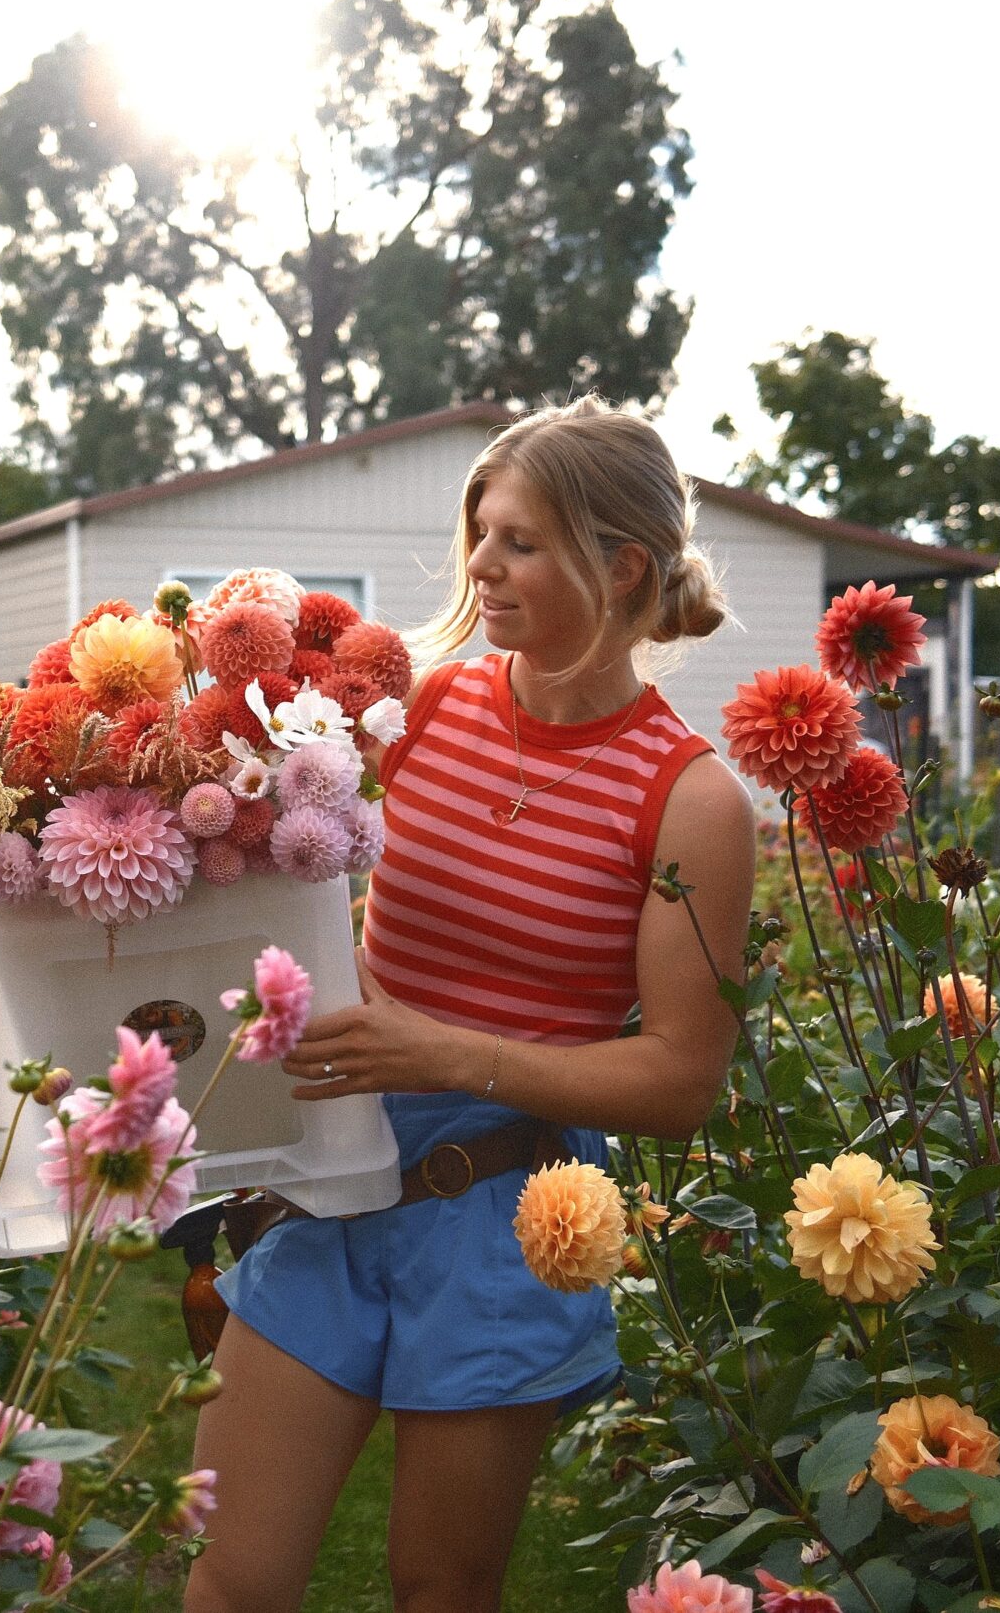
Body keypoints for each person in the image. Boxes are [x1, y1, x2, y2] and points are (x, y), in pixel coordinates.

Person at [185, 401, 757, 1613]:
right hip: (332, 1161)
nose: (481, 567)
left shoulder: (688, 797)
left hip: (506, 1206)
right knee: (232, 1575)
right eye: (480, 533)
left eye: (522, 543)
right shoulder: (420, 714)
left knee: (440, 1589)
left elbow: (678, 1081)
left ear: (623, 568)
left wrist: (442, 1049)